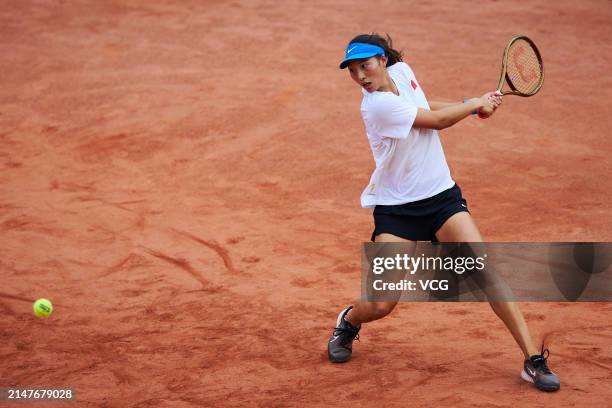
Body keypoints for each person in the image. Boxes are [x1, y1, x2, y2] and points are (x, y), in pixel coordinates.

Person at [327, 33, 560, 392]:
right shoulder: (374, 105)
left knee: (487, 272)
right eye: (353, 70)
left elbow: (424, 105)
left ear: (383, 61)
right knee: (382, 303)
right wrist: (474, 106)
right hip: (397, 209)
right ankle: (349, 319)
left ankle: (533, 359)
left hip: (441, 198)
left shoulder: (403, 72)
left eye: (365, 65)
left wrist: (469, 102)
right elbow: (436, 122)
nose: (360, 76)